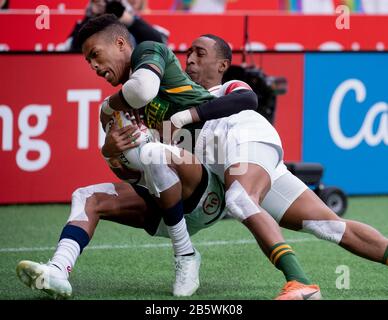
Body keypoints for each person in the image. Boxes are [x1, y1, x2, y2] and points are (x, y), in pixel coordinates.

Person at [16, 16, 319, 300]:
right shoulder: (129, 109)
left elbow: (143, 91)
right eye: (88, 61)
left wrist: (109, 107)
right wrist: (110, 154)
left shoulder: (149, 54)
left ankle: (186, 255)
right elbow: (132, 176)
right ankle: (58, 271)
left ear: (121, 44)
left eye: (96, 54)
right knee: (86, 196)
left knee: (152, 150)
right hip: (168, 199)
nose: (94, 66)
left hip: (204, 188)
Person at [67, 0, 165, 52]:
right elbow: (73, 50)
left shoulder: (129, 18)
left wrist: (129, 20)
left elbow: (158, 42)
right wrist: (91, 16)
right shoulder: (89, 19)